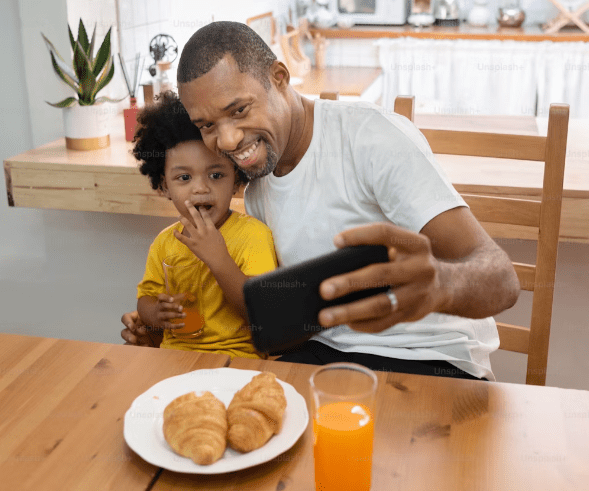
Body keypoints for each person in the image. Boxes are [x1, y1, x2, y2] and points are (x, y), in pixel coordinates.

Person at [122, 22, 520, 380]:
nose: (226, 141)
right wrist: (157, 333)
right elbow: (280, 324)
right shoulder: (259, 183)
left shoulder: (369, 138)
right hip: (322, 358)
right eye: (207, 125)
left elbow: (502, 280)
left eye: (239, 110)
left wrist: (441, 286)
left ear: (279, 77)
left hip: (431, 362)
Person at [129, 90, 277, 358]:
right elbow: (146, 299)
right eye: (184, 178)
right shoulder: (165, 242)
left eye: (216, 174)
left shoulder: (253, 235)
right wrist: (156, 314)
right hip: (174, 355)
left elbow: (264, 314)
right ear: (165, 187)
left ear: (236, 180)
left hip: (237, 359)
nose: (200, 188)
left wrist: (218, 259)